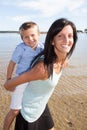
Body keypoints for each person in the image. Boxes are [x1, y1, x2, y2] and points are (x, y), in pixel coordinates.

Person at [4, 18, 78, 130]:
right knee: (14, 111)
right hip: (28, 113)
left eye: (70, 35)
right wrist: (11, 80)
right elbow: (7, 85)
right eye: (60, 36)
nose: (66, 40)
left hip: (41, 105)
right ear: (52, 40)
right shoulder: (42, 68)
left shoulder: (63, 60)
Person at [3, 21, 44, 130]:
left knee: (33, 106)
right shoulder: (21, 48)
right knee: (15, 110)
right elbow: (12, 64)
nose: (30, 39)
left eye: (33, 35)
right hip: (22, 80)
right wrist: (9, 80)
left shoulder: (42, 46)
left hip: (35, 81)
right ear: (22, 39)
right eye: (26, 37)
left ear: (39, 34)